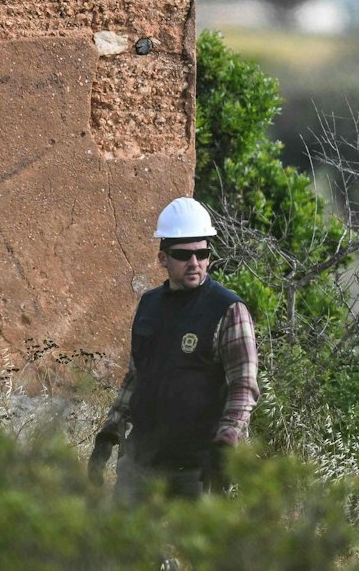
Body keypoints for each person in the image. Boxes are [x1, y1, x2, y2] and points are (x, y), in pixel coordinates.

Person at [88, 197, 258, 499]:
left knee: (195, 548)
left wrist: (226, 443)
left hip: (198, 470)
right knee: (121, 547)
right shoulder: (149, 304)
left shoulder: (228, 309)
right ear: (163, 258)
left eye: (202, 253)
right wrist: (109, 432)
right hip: (140, 464)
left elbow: (243, 387)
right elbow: (137, 376)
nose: (195, 263)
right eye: (183, 254)